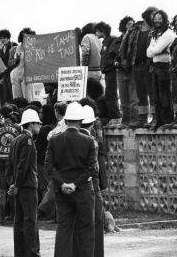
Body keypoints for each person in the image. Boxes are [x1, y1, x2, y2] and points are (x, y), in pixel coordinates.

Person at [45, 102, 97, 257]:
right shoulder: (88, 141)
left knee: (64, 228)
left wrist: (61, 184)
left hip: (62, 192)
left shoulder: (54, 140)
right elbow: (91, 169)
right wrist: (75, 184)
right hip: (82, 190)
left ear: (66, 121)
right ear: (81, 121)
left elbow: (49, 166)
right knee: (86, 229)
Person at [7, 109, 42, 257]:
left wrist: (12, 183)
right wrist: (17, 184)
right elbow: (24, 165)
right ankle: (32, 252)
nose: (40, 126)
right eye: (37, 123)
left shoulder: (15, 140)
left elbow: (9, 166)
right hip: (26, 185)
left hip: (19, 185)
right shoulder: (28, 141)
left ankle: (20, 252)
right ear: (31, 124)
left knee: (19, 220)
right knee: (30, 220)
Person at [120, 7, 158, 129]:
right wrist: (124, 60)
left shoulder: (155, 30)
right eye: (153, 15)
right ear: (146, 15)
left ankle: (152, 119)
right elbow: (123, 45)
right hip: (135, 66)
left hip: (149, 66)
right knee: (141, 95)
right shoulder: (134, 29)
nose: (155, 18)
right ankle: (142, 119)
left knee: (152, 94)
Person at [0, 104, 21, 226]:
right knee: (13, 188)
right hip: (13, 161)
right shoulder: (18, 128)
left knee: (0, 190)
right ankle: (14, 215)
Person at [79, 105, 104, 257]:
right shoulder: (91, 141)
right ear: (92, 123)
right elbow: (94, 168)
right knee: (96, 223)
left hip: (76, 187)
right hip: (92, 186)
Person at [146, 10, 176, 130]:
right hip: (156, 67)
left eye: (160, 18)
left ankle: (167, 121)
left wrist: (154, 50)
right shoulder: (155, 33)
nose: (157, 20)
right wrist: (154, 50)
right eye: (155, 18)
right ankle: (159, 121)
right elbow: (148, 53)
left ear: (164, 19)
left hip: (164, 67)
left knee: (164, 96)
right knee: (156, 96)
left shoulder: (168, 33)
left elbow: (156, 50)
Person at [113, 16, 138, 128]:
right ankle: (125, 121)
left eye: (132, 23)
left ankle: (134, 121)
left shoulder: (136, 37)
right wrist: (115, 62)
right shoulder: (117, 41)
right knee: (123, 99)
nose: (131, 26)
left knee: (133, 98)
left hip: (132, 70)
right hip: (120, 71)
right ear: (123, 25)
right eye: (128, 23)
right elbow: (111, 56)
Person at [95, 22, 122, 128]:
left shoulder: (112, 40)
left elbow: (114, 55)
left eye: (97, 30)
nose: (96, 33)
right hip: (107, 71)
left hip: (112, 70)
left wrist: (110, 63)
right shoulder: (105, 41)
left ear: (102, 30)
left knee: (111, 94)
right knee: (109, 94)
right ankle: (113, 117)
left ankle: (115, 117)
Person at [35, 104, 56, 204]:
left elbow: (38, 145)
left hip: (42, 161)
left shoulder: (44, 129)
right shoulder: (56, 127)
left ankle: (47, 212)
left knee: (44, 187)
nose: (39, 115)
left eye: (41, 113)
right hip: (51, 161)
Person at [11, 28, 36, 100]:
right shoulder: (17, 48)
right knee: (17, 98)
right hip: (16, 74)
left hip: (27, 75)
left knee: (28, 98)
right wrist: (16, 60)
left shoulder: (33, 48)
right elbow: (13, 63)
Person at [0, 29, 15, 104]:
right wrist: (2, 77)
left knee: (13, 95)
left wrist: (5, 75)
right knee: (6, 97)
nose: (2, 40)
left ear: (8, 38)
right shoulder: (1, 49)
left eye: (4, 38)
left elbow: (14, 63)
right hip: (4, 76)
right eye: (1, 38)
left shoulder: (13, 46)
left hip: (12, 74)